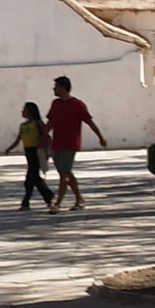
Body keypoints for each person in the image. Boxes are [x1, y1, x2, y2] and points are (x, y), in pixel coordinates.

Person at [45, 76, 107, 214]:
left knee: (64, 174)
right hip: (57, 143)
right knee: (65, 172)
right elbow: (50, 123)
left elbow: (89, 121)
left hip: (70, 143)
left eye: (56, 86)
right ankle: (79, 198)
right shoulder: (55, 104)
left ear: (63, 87)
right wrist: (43, 137)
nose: (54, 89)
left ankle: (57, 203)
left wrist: (100, 137)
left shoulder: (77, 104)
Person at [4, 102, 54, 211]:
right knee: (35, 178)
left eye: (25, 110)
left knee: (30, 179)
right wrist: (9, 149)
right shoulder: (23, 126)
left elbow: (46, 135)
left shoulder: (37, 123)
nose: (22, 112)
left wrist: (42, 145)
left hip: (36, 151)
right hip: (28, 152)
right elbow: (18, 140)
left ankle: (26, 202)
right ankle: (48, 196)